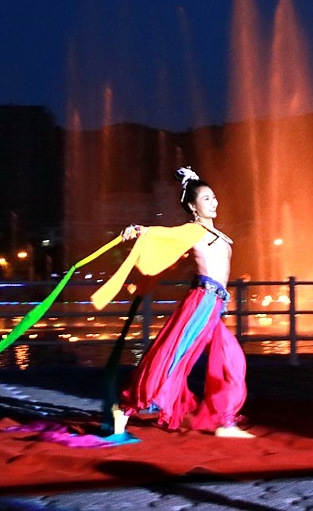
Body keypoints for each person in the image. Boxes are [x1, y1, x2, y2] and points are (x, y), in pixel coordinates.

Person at [109, 167, 253, 438]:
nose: (214, 202)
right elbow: (164, 234)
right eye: (207, 199)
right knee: (172, 358)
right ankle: (126, 408)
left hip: (215, 306)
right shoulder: (193, 231)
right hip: (201, 303)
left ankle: (226, 422)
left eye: (214, 197)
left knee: (232, 360)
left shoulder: (215, 233)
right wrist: (138, 230)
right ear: (193, 206)